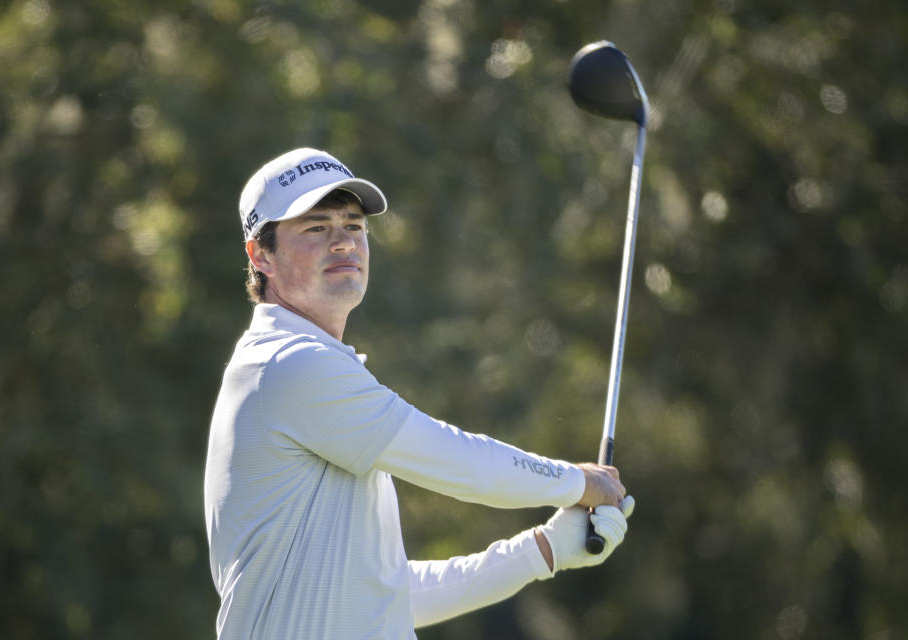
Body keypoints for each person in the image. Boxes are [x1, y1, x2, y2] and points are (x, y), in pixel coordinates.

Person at [204, 147, 635, 639]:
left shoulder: (301, 367)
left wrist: (543, 550)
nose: (343, 242)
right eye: (315, 228)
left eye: (354, 226)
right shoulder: (288, 363)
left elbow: (385, 594)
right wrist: (578, 482)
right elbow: (459, 461)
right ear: (261, 255)